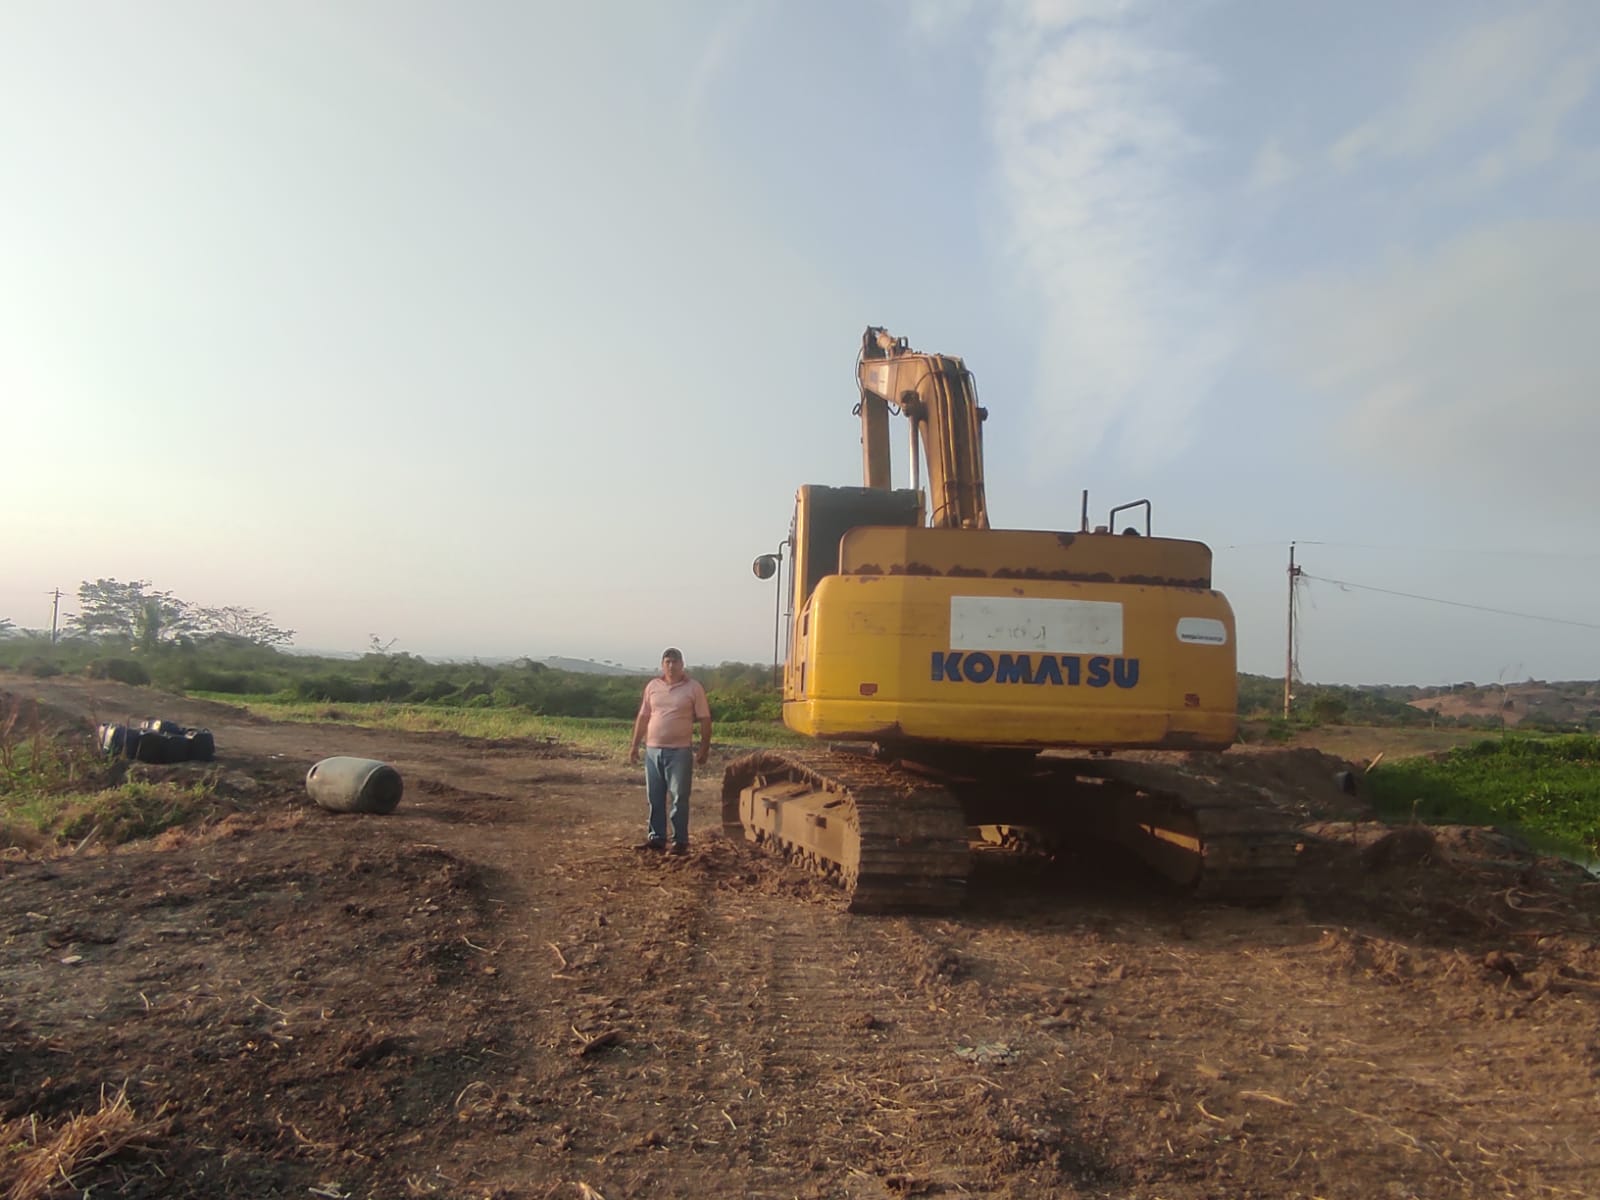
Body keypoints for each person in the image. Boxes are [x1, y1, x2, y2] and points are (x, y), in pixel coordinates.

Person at [627, 647, 712, 855]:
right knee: (654, 797)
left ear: (682, 664)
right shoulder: (653, 686)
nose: (671, 666)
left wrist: (704, 747)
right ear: (662, 665)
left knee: (679, 796)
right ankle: (656, 838)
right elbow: (643, 716)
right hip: (653, 750)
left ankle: (679, 841)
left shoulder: (693, 688)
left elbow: (705, 719)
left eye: (675, 662)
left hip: (679, 751)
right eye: (667, 662)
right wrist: (634, 745)